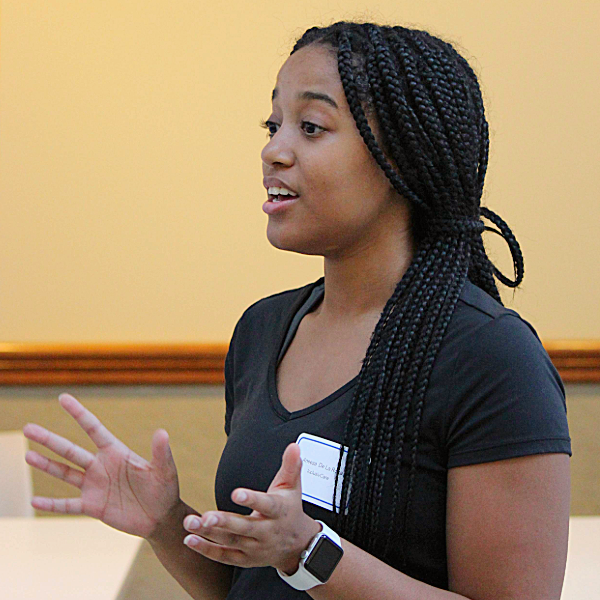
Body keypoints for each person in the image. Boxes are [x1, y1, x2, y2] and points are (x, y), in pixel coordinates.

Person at [23, 20, 571, 600]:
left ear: (404, 160)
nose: (273, 150)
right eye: (273, 123)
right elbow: (250, 587)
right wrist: (165, 522)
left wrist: (312, 553)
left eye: (310, 127)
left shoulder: (492, 357)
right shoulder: (264, 330)